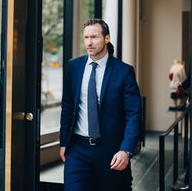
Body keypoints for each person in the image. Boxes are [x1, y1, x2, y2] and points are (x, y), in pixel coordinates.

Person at [59, 19, 142, 191]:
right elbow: (67, 106)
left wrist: (126, 150)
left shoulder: (124, 71)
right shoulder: (73, 66)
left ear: (106, 38)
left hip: (110, 150)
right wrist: (63, 142)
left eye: (94, 37)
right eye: (86, 37)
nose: (89, 42)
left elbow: (133, 114)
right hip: (77, 149)